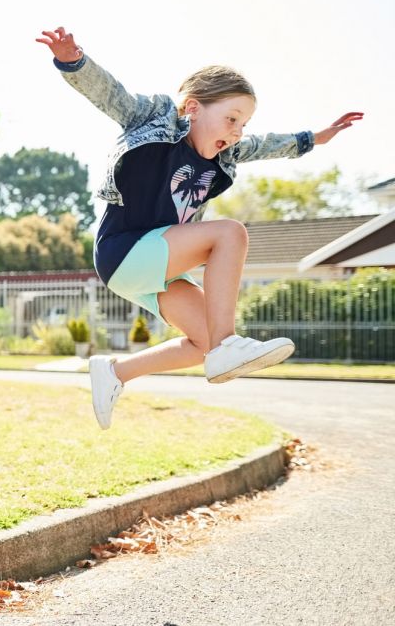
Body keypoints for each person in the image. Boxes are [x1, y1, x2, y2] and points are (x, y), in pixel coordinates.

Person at [35, 26, 363, 429]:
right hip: (124, 251)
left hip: (154, 269)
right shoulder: (154, 118)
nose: (237, 132)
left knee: (201, 341)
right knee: (230, 234)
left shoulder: (228, 154)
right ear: (191, 108)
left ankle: (115, 372)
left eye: (242, 124)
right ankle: (229, 344)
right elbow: (110, 94)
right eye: (231, 119)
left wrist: (315, 138)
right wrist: (73, 60)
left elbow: (265, 144)